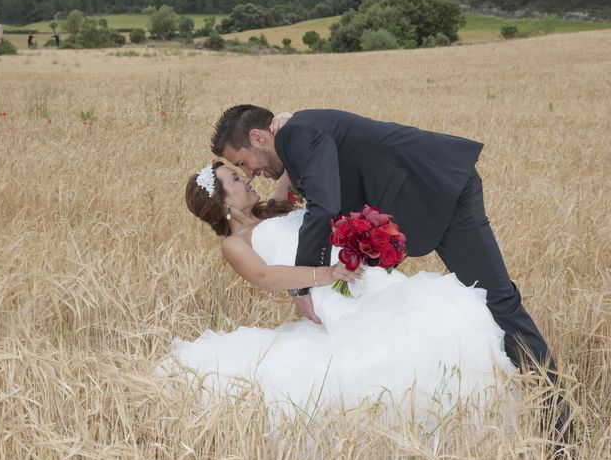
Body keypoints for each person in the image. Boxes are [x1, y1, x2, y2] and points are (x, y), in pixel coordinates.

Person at [210, 106, 556, 382]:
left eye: (243, 163)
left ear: (257, 137)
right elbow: (309, 168)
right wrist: (284, 185)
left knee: (499, 301)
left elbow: (324, 207)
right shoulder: (293, 136)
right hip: (423, 202)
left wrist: (302, 286)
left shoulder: (297, 133)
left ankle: (557, 418)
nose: (249, 173)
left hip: (439, 191)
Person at [159, 161, 516, 415]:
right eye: (235, 178)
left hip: (363, 275)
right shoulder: (235, 243)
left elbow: (288, 161)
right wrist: (326, 274)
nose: (246, 177)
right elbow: (266, 277)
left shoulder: (275, 208)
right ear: (223, 202)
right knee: (393, 349)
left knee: (443, 312)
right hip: (334, 288)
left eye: (241, 171)